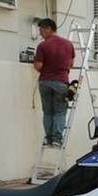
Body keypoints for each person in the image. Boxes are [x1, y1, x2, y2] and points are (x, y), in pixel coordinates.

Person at [34, 19, 75, 148]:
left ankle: (48, 138)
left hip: (45, 82)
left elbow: (38, 66)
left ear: (48, 28)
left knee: (47, 112)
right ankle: (57, 139)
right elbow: (71, 63)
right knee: (60, 112)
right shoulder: (68, 44)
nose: (40, 33)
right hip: (61, 82)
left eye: (41, 30)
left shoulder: (43, 46)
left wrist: (44, 66)